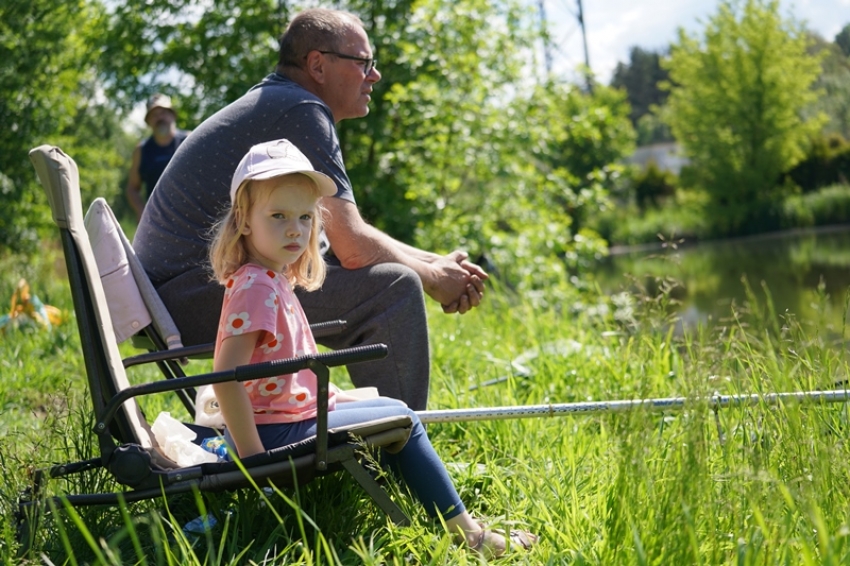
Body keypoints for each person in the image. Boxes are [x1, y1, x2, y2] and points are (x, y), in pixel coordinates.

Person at [133, 8, 487, 412]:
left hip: (186, 294)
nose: (375, 76)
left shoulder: (285, 101)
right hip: (193, 296)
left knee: (385, 276)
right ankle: (399, 456)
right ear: (317, 64)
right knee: (393, 289)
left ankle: (373, 438)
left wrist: (435, 263)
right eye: (364, 63)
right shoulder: (302, 109)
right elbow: (354, 247)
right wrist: (433, 278)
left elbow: (341, 241)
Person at [210, 139, 536, 558]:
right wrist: (254, 460)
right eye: (278, 216)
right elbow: (225, 377)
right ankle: (470, 536)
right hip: (273, 434)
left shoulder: (269, 278)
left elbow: (273, 365)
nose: (295, 229)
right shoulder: (256, 286)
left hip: (284, 417)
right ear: (244, 221)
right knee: (402, 417)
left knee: (380, 404)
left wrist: (325, 394)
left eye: (305, 217)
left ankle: (433, 505)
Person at [125, 94, 190, 221]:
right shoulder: (141, 150)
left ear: (173, 115)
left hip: (190, 217)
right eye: (154, 115)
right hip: (157, 221)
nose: (160, 117)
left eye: (164, 113)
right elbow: (132, 188)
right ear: (148, 121)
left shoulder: (190, 140)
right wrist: (141, 212)